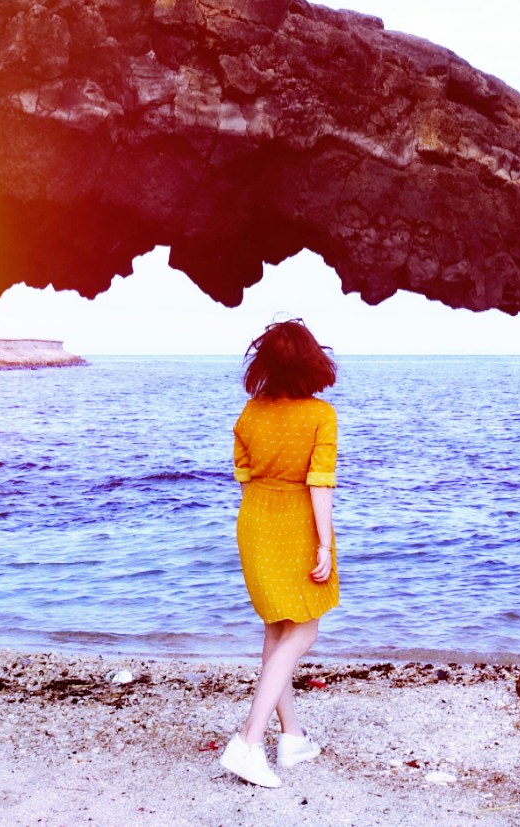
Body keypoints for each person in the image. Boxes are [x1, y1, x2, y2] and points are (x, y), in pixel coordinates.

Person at [218, 318, 340, 788]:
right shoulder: (320, 416)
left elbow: (244, 474)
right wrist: (325, 544)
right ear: (312, 362)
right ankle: (248, 741)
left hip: (255, 520)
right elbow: (319, 482)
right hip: (297, 521)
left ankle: (291, 737)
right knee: (303, 632)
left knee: (277, 629)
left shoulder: (251, 412)